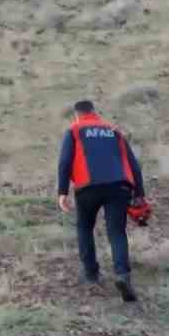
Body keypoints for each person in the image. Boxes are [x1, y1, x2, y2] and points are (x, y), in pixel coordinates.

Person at [56, 99, 146, 302]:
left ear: (77, 115)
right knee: (116, 231)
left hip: (88, 187)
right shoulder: (114, 131)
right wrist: (139, 194)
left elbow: (64, 162)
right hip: (119, 186)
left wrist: (62, 191)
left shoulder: (74, 129)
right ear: (95, 112)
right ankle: (123, 275)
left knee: (85, 227)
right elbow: (134, 164)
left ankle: (91, 274)